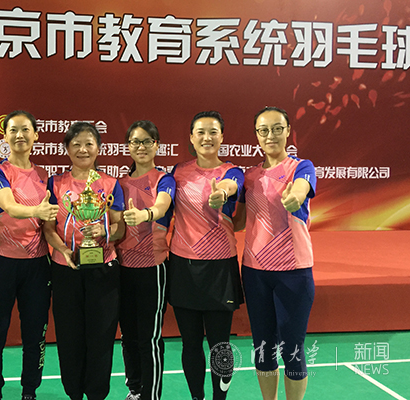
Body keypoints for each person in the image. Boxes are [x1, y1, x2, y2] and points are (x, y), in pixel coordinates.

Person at [233, 106, 317, 400]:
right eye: (264, 130)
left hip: (293, 272)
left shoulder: (301, 168)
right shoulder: (249, 177)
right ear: (256, 135)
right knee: (263, 348)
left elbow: (300, 191)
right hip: (255, 272)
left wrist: (294, 198)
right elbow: (239, 222)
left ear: (288, 131)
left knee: (292, 348)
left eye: (277, 128)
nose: (271, 135)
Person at [0, 111, 59, 400]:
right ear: (5, 136)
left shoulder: (45, 177)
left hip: (37, 264)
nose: (20, 136)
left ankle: (29, 391)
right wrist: (37, 210)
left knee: (35, 335)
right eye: (13, 130)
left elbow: (49, 224)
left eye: (26, 130)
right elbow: (10, 207)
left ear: (36, 135)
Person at [43, 122, 125, 400]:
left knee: (101, 336)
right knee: (69, 336)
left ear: (98, 148)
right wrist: (62, 250)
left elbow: (120, 228)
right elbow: (48, 228)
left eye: (89, 143)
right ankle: (74, 393)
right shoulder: (55, 183)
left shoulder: (111, 184)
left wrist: (105, 231)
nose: (82, 149)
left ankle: (97, 394)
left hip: (103, 268)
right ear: (66, 149)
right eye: (76, 144)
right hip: (66, 268)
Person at [168, 111, 244, 400]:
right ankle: (197, 398)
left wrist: (221, 194)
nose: (207, 138)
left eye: (213, 132)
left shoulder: (232, 171)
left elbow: (231, 185)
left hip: (220, 267)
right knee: (190, 342)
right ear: (191, 137)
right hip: (183, 266)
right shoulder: (178, 172)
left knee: (219, 344)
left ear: (222, 137)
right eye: (200, 132)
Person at [115, 120, 175, 400]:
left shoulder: (164, 180)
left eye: (147, 141)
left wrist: (145, 214)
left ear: (156, 145)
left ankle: (151, 395)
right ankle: (135, 390)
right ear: (128, 146)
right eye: (135, 142)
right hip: (122, 269)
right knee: (128, 335)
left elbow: (162, 205)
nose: (141, 147)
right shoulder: (118, 184)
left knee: (149, 338)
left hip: (153, 268)